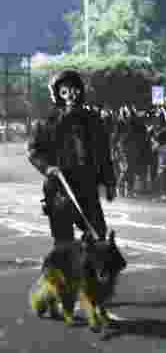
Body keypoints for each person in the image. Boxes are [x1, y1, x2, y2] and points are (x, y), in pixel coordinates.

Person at [26, 69, 116, 246]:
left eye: (75, 90)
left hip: (87, 184)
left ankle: (93, 269)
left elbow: (104, 154)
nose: (71, 95)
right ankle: (64, 268)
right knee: (63, 239)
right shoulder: (47, 121)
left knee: (98, 233)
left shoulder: (93, 120)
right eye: (65, 91)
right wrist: (47, 167)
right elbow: (34, 151)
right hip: (60, 187)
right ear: (57, 94)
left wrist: (109, 182)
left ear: (81, 91)